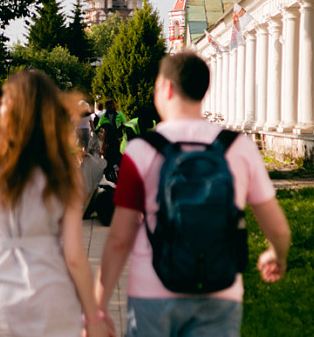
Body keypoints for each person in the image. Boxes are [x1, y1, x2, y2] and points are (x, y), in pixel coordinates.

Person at [96, 51, 292, 336]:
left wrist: (97, 310)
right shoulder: (238, 147)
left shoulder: (141, 150)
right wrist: (277, 254)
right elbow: (277, 227)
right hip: (219, 289)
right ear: (204, 89)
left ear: (166, 88)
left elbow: (118, 239)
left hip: (153, 291)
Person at [0, 70, 112, 337]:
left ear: (5, 110)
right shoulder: (63, 167)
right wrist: (93, 315)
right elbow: (74, 255)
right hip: (49, 294)